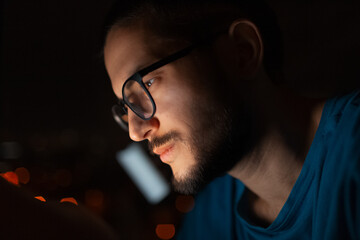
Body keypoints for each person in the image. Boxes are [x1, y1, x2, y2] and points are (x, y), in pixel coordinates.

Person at [102, 0, 360, 239]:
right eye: (127, 107)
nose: (136, 132)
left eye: (148, 82)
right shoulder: (213, 212)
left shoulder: (352, 149)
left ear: (242, 51)